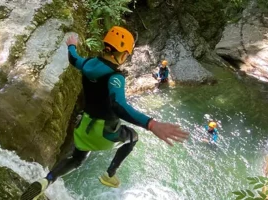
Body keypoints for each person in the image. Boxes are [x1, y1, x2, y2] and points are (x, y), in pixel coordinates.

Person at [21, 26, 189, 200]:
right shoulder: (115, 77)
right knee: (133, 137)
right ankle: (110, 174)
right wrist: (151, 124)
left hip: (84, 128)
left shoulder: (87, 64)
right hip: (105, 134)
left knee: (77, 159)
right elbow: (118, 105)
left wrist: (71, 45)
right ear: (123, 54)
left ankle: (47, 180)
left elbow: (74, 59)